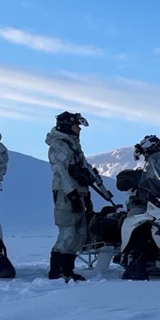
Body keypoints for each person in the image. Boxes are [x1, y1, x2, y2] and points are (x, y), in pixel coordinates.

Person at [46, 111, 110, 282]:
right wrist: (71, 193)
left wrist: (102, 188)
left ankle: (68, 270)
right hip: (66, 194)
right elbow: (60, 171)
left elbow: (84, 166)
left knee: (80, 233)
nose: (79, 130)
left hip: (80, 192)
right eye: (76, 126)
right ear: (67, 126)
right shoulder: (59, 145)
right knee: (68, 231)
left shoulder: (73, 144)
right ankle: (56, 270)